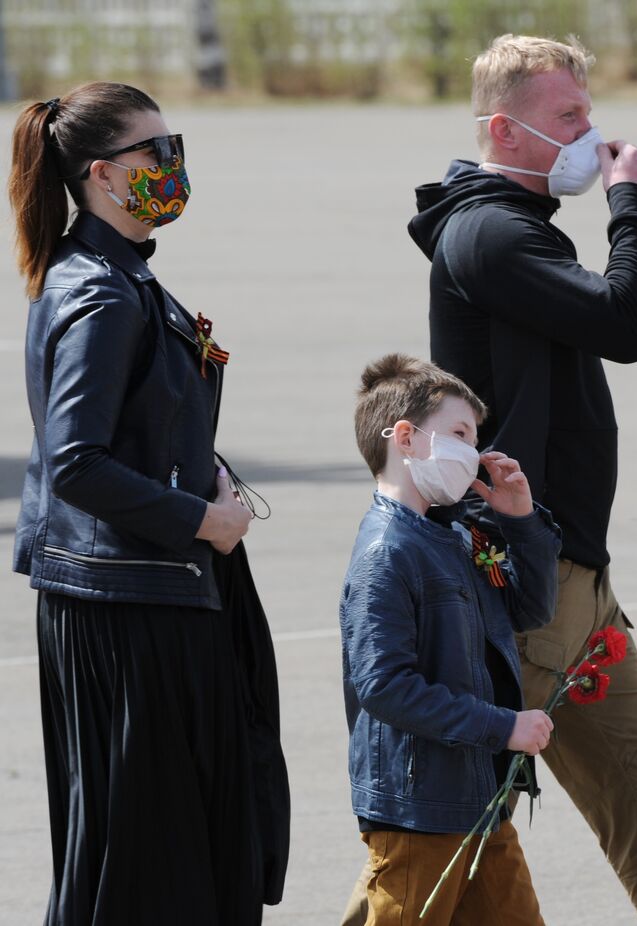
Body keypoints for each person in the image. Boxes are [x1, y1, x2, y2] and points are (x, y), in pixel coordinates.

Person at [390, 32, 637, 926]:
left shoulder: (519, 229)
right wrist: (631, 201)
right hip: (524, 589)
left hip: (577, 581)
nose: (590, 134)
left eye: (588, 113)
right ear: (508, 131)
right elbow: (627, 320)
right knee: (443, 839)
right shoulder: (490, 234)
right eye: (568, 116)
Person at [9, 82, 290, 925]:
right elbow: (75, 463)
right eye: (156, 154)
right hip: (133, 608)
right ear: (102, 174)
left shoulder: (111, 274)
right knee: (154, 853)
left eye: (176, 148)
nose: (174, 167)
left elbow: (136, 428)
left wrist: (202, 476)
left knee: (164, 842)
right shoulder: (99, 292)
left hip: (140, 592)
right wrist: (200, 519)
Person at [342, 354, 561, 925]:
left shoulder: (456, 534)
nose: (474, 452)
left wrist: (520, 522)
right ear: (407, 439)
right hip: (420, 810)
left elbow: (530, 608)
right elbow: (384, 685)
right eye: (460, 434)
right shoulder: (387, 551)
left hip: (479, 800)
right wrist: (502, 726)